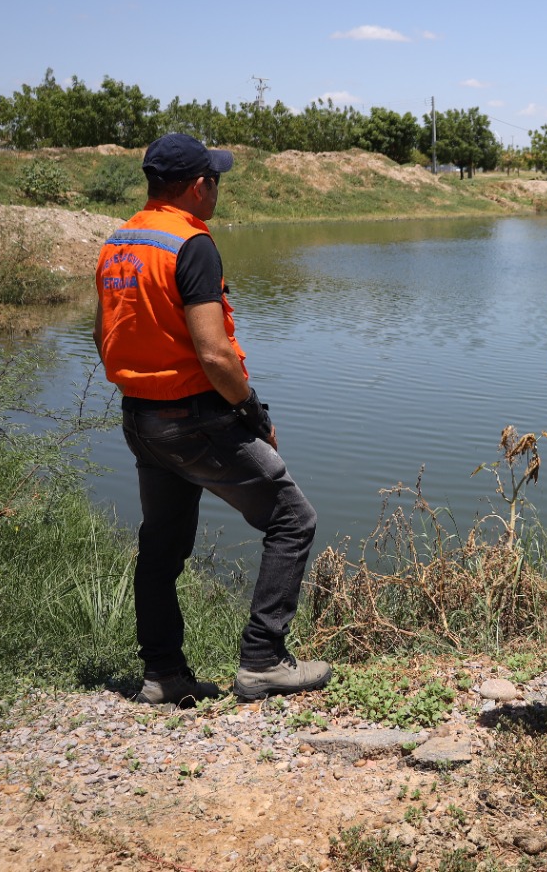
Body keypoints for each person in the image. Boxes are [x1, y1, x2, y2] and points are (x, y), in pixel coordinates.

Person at [94, 133, 332, 706]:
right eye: (216, 181)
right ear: (200, 186)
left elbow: (104, 336)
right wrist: (250, 411)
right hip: (196, 418)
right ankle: (263, 661)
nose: (217, 190)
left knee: (161, 545)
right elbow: (215, 352)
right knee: (292, 519)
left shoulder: (118, 242)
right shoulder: (190, 244)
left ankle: (163, 675)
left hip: (141, 419)